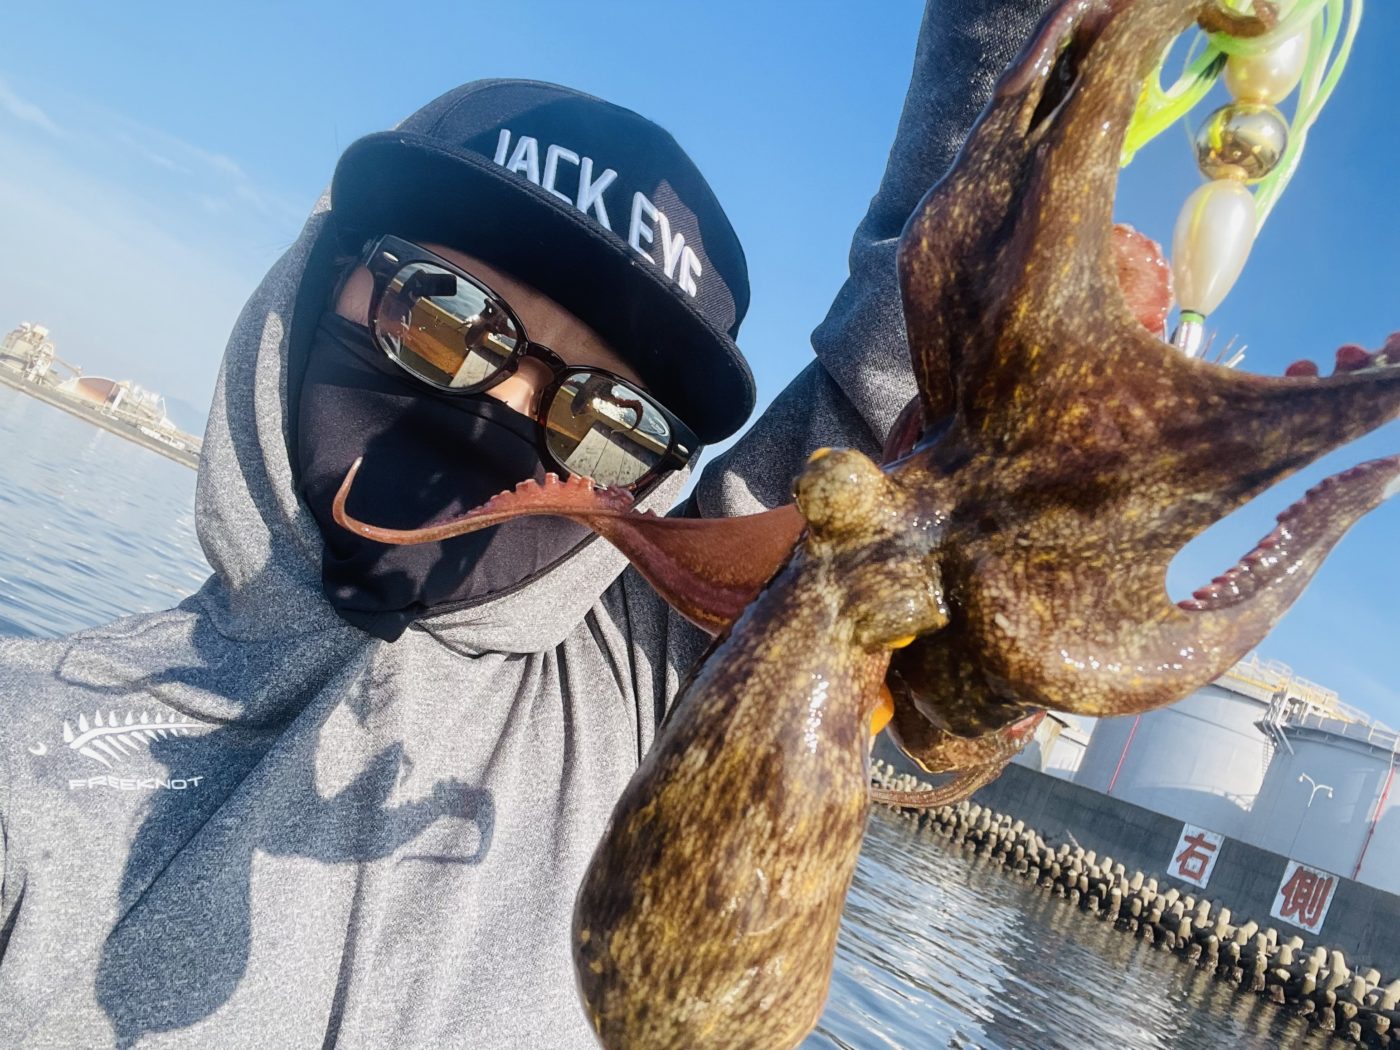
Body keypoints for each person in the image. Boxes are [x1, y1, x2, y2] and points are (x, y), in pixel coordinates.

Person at [0, 1, 1054, 1045]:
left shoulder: (661, 678)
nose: (504, 407)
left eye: (604, 416)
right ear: (322, 282)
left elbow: (931, 303)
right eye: (444, 316)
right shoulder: (26, 746)